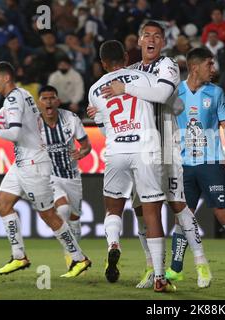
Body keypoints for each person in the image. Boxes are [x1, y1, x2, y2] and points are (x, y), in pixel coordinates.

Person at [93, 21, 211, 289]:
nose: (152, 39)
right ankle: (152, 268)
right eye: (147, 35)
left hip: (165, 147)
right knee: (140, 209)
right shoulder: (132, 71)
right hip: (140, 149)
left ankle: (201, 263)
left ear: (162, 42)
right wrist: (99, 113)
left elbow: (162, 93)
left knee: (177, 204)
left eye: (157, 36)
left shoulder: (166, 65)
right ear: (138, 41)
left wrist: (127, 90)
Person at [0, 61, 91, 277]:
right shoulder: (21, 95)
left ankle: (79, 258)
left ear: (6, 78)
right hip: (21, 162)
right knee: (2, 205)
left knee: (49, 215)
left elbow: (14, 134)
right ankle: (19, 256)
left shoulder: (14, 98)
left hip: (34, 165)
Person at [88, 40, 175, 292]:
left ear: (103, 63)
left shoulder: (95, 89)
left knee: (113, 208)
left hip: (116, 150)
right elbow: (161, 96)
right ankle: (159, 277)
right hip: (145, 149)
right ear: (126, 57)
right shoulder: (143, 77)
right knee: (151, 212)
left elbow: (104, 128)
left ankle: (113, 244)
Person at [171, 47, 225, 285]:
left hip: (210, 162)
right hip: (184, 165)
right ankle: (176, 268)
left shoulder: (216, 93)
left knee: (223, 214)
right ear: (195, 67)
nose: (213, 69)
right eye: (209, 65)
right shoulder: (175, 92)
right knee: (183, 216)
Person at [36, 85, 92, 266]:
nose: (48, 102)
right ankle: (72, 255)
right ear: (39, 103)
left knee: (74, 218)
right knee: (63, 210)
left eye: (52, 98)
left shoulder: (70, 119)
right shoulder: (33, 124)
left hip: (71, 175)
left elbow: (86, 145)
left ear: (58, 100)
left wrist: (82, 152)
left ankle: (72, 253)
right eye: (44, 99)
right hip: (48, 176)